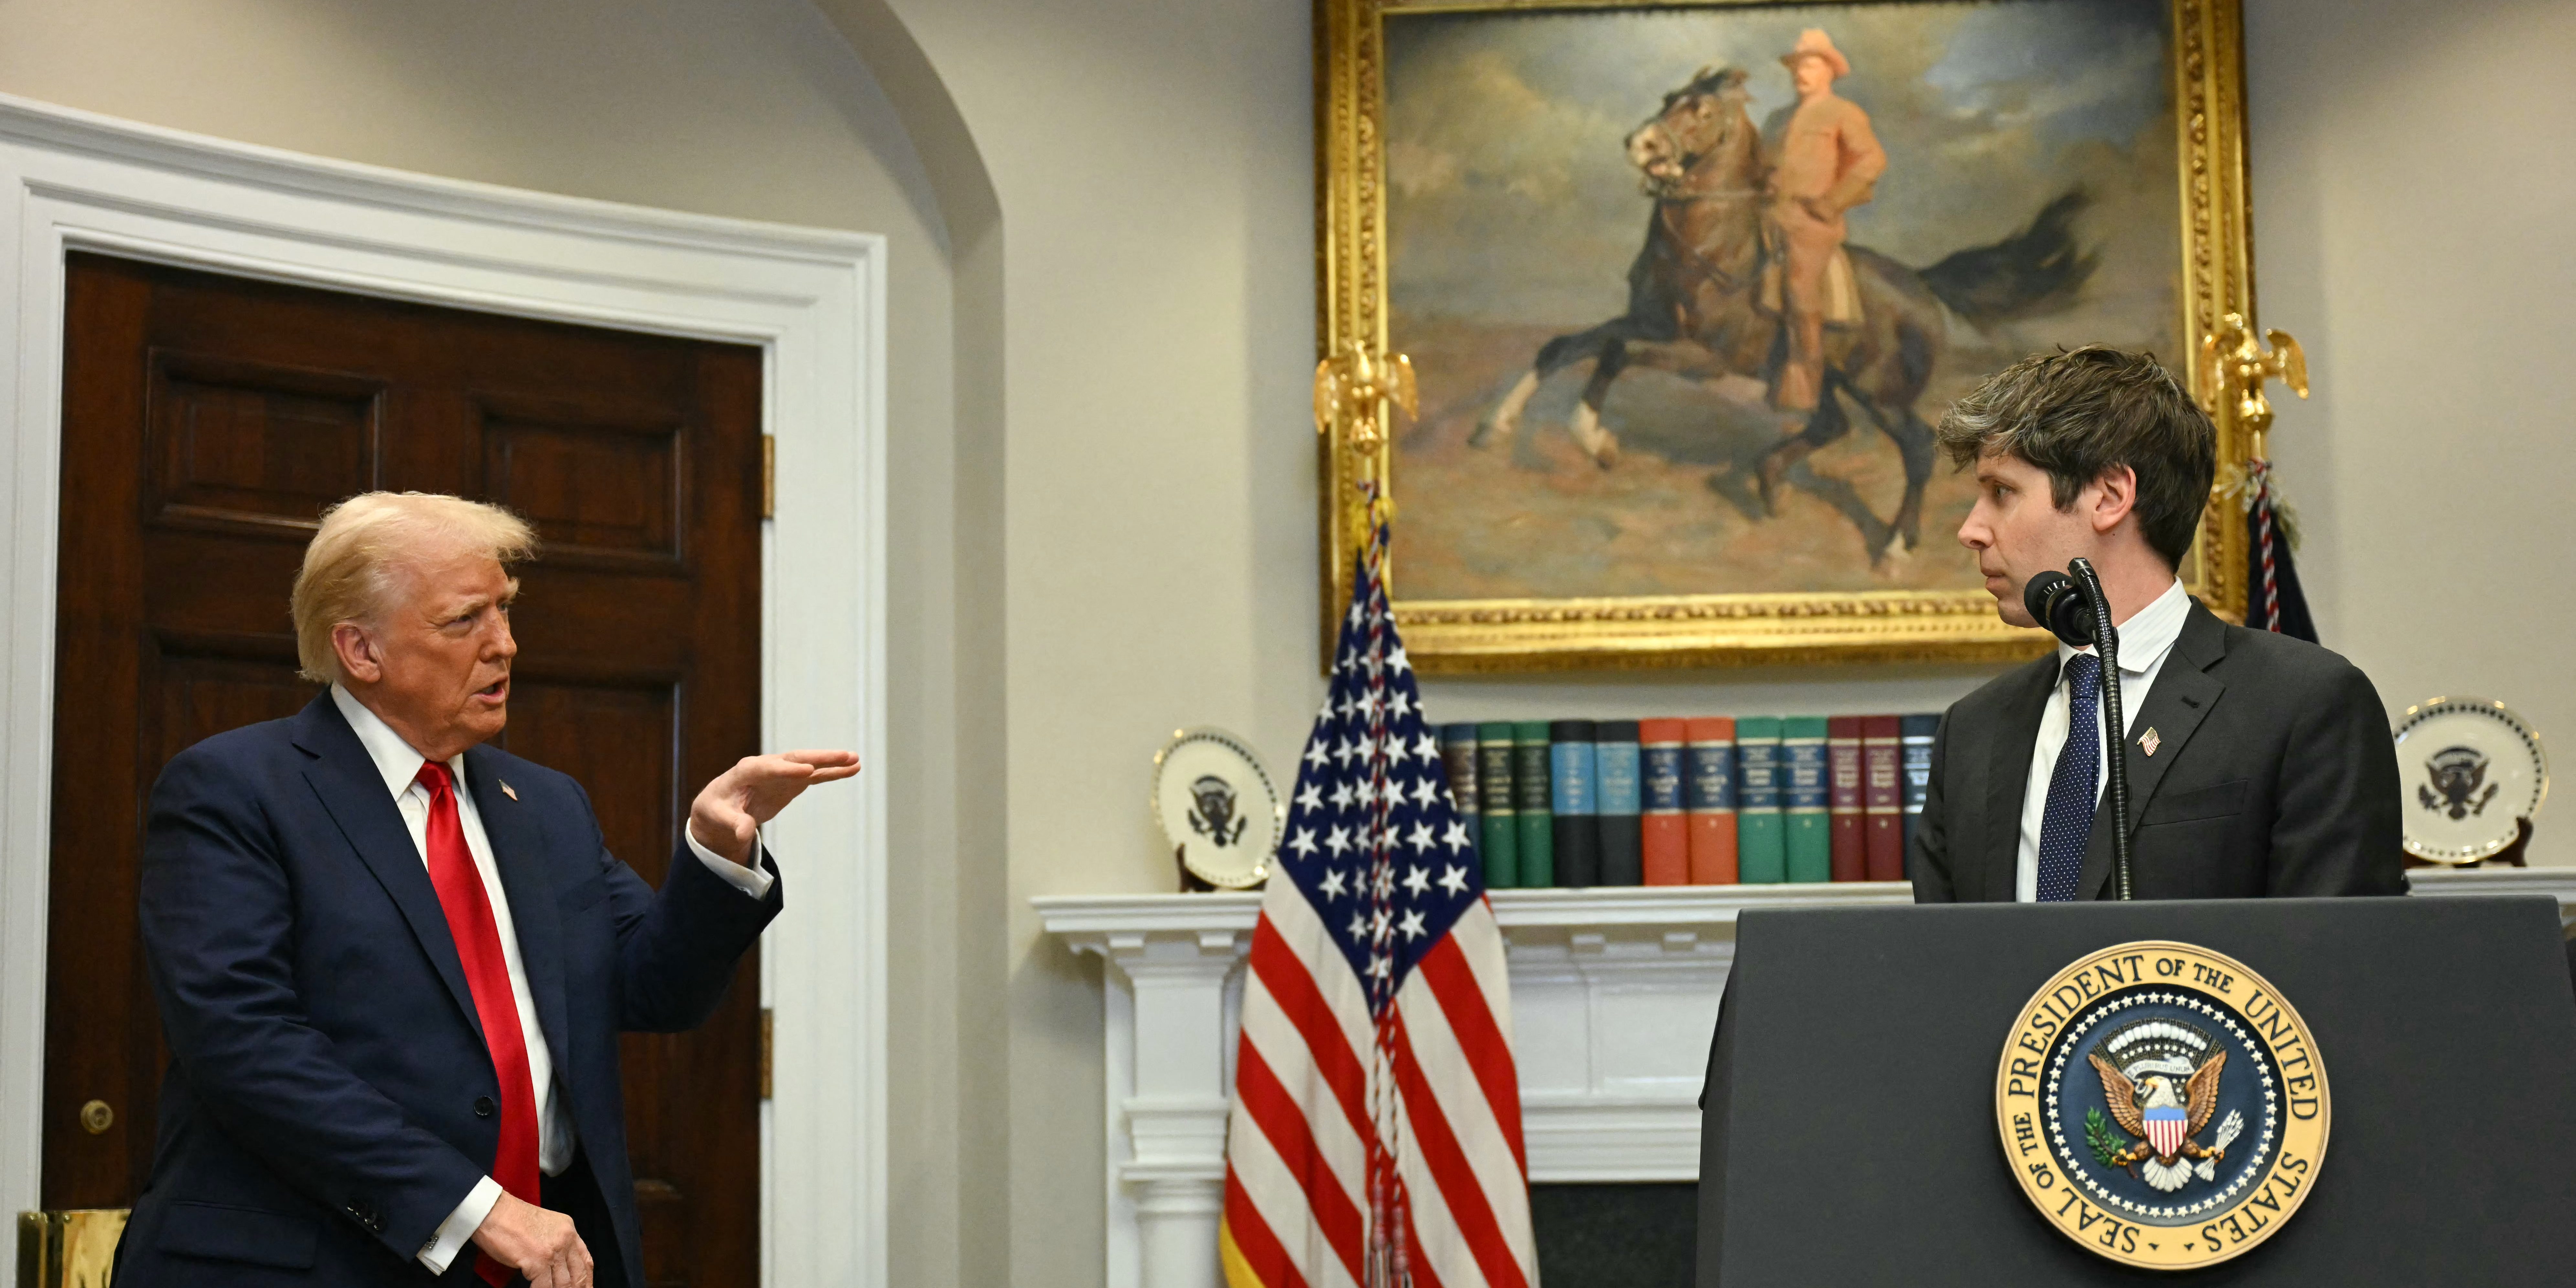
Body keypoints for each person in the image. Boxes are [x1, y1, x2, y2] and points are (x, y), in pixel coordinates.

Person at [117, 493, 859, 1287]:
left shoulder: (545, 805)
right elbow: (244, 1044)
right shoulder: (236, 789)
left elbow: (653, 989)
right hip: (312, 1261)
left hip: (534, 1264)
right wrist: (476, 1208)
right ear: (360, 650)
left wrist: (715, 853)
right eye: (465, 620)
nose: (505, 644)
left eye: (504, 610)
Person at [1906, 346, 2403, 902]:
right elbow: (1941, 967)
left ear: (2111, 496)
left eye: (2001, 492)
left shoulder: (2304, 705)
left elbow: (2336, 962)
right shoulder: (1970, 732)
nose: (1971, 530)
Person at [1762, 27, 1884, 413]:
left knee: (1800, 290)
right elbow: (1762, 166)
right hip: (1768, 216)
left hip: (1811, 223)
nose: (1801, 73)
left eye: (1810, 65)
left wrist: (1832, 203)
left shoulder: (1843, 113)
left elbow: (1871, 160)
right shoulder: (1778, 119)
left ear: (1829, 71)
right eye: (1797, 66)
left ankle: (1804, 386)